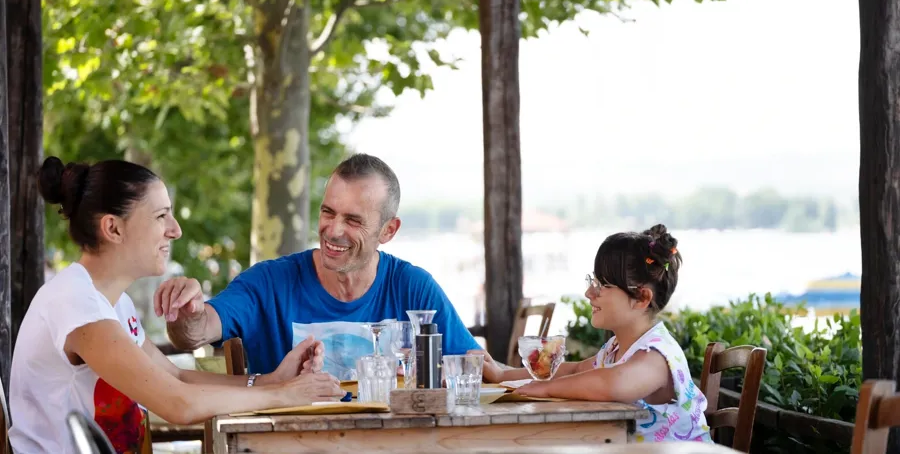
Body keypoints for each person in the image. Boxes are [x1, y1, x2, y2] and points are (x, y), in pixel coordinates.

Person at [9, 157, 344, 454]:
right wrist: (286, 395)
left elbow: (175, 376)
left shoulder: (113, 303)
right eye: (161, 216)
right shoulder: (75, 303)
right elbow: (177, 403)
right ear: (113, 228)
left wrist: (272, 381)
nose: (175, 230)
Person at [155, 153, 481, 380]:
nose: (333, 230)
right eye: (328, 212)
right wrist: (187, 311)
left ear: (388, 231)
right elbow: (194, 334)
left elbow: (474, 366)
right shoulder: (269, 282)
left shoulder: (413, 286)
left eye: (353, 220)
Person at [477, 224, 712, 444]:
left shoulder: (656, 356)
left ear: (641, 298)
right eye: (593, 281)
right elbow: (576, 370)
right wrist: (502, 375)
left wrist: (545, 388)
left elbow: (611, 383)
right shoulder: (616, 348)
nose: (589, 293)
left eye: (602, 285)